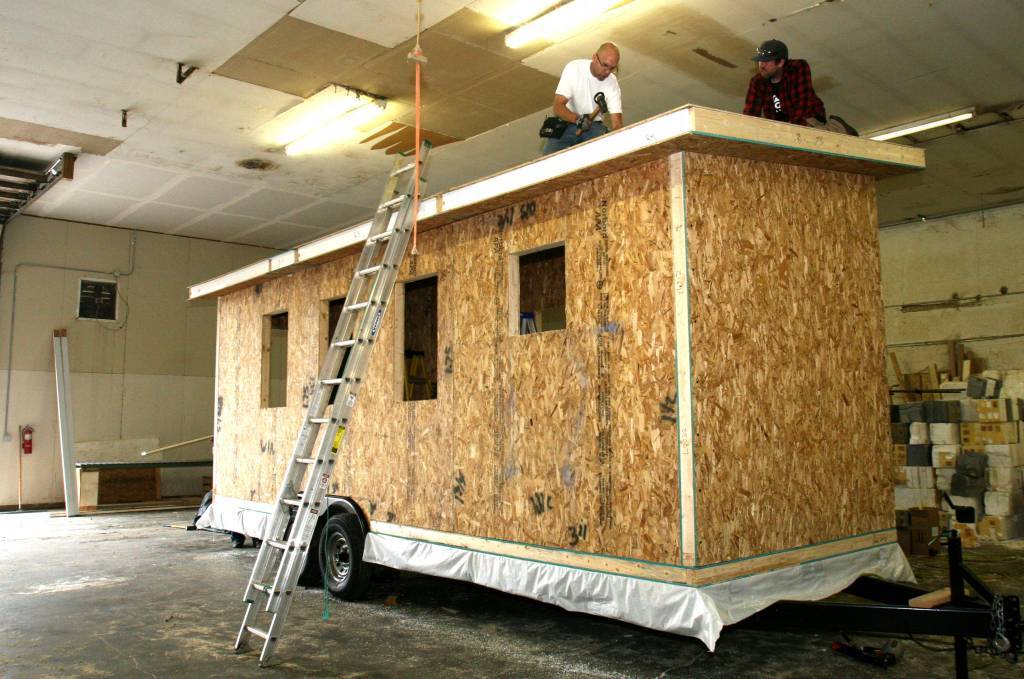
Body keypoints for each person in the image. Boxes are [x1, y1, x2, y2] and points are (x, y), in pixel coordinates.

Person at [742, 39, 857, 135]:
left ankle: (838, 127)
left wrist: (791, 129)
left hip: (807, 117)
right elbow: (750, 113)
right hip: (781, 124)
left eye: (767, 61)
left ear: (781, 63)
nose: (762, 65)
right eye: (760, 61)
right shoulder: (757, 81)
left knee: (806, 136)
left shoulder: (797, 67)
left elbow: (804, 102)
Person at [542, 43, 624, 155]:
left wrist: (616, 139)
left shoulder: (611, 82)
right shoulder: (574, 69)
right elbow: (558, 106)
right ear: (595, 58)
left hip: (593, 126)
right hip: (567, 122)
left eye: (612, 68)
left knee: (606, 151)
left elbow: (617, 122)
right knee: (549, 158)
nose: (607, 72)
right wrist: (578, 119)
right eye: (605, 65)